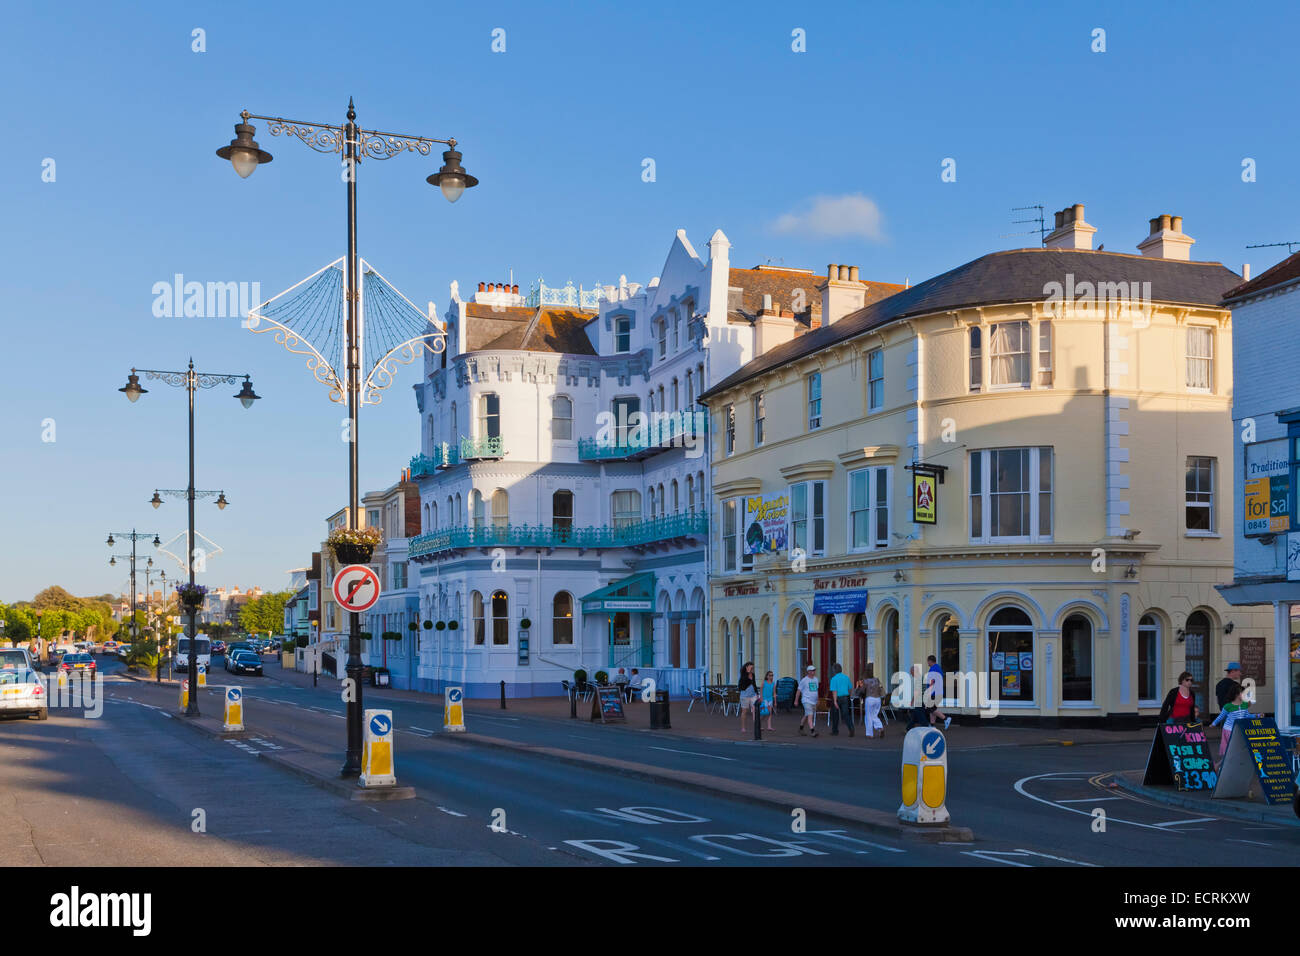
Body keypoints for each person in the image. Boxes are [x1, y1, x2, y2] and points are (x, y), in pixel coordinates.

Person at [1210, 680, 1249, 757]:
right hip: (1229, 730)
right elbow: (1221, 716)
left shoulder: (1245, 704)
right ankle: (1226, 763)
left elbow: (1247, 715)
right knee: (1230, 748)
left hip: (1239, 729)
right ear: (1237, 695)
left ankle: (1232, 762)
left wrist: (1257, 716)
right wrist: (1213, 724)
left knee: (1237, 748)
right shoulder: (1228, 706)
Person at [925, 655, 952, 731]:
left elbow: (932, 681)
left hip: (934, 693)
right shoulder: (938, 667)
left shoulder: (933, 669)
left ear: (930, 661)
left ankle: (946, 718)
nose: (927, 663)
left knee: (930, 708)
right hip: (939, 692)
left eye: (928, 661)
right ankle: (932, 725)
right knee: (933, 709)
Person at [857, 664, 885, 738]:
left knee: (868, 716)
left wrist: (858, 689)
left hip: (870, 699)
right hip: (878, 699)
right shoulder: (877, 680)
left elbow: (862, 690)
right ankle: (880, 727)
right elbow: (881, 689)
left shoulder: (866, 681)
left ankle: (870, 734)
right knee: (874, 715)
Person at [829, 663, 854, 737]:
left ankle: (835, 731)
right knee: (846, 714)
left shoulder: (833, 679)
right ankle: (851, 728)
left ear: (834, 670)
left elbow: (834, 691)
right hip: (845, 697)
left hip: (837, 697)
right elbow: (850, 688)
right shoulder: (846, 677)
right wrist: (849, 695)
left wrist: (834, 701)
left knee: (835, 714)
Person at [796, 664, 820, 737]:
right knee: (810, 715)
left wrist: (818, 699)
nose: (813, 672)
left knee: (807, 715)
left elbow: (816, 690)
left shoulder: (816, 679)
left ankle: (801, 728)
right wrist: (796, 700)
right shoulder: (804, 680)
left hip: (813, 701)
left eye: (814, 670)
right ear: (808, 671)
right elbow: (798, 690)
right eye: (812, 670)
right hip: (806, 700)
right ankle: (812, 731)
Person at [737, 661, 759, 734]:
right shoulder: (743, 675)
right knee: (744, 711)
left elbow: (754, 684)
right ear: (747, 667)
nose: (752, 668)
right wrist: (747, 674)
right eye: (750, 667)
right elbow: (742, 685)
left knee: (755, 710)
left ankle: (756, 726)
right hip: (745, 695)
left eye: (752, 667)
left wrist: (757, 693)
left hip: (753, 695)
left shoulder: (753, 675)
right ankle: (743, 727)